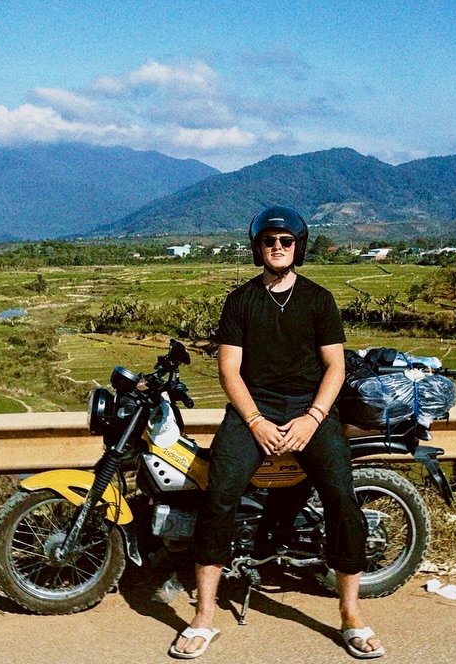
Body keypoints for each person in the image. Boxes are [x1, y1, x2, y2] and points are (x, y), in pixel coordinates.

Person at [170, 205, 384, 660]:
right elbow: (230, 370)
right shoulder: (240, 300)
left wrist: (312, 418)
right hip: (255, 409)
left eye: (286, 241)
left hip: (312, 410)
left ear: (298, 247)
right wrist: (255, 422)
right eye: (269, 241)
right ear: (258, 248)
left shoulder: (318, 299)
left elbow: (335, 366)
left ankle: (351, 614)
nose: (278, 248)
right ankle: (204, 616)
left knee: (342, 497)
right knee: (219, 491)